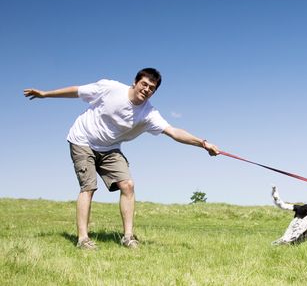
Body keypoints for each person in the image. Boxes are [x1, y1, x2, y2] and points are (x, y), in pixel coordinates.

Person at [23, 68, 220, 250]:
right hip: (82, 140)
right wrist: (45, 94)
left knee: (128, 185)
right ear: (135, 82)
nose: (147, 89)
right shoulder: (110, 88)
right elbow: (77, 91)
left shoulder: (149, 113)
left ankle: (128, 237)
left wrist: (203, 143)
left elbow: (174, 132)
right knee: (89, 187)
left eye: (152, 88)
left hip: (110, 148)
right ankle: (83, 238)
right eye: (144, 84)